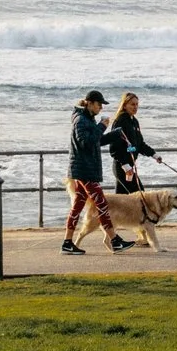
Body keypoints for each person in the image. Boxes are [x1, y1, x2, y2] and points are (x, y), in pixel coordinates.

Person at [61, 90, 134, 255]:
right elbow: (86, 142)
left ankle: (67, 243)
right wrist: (102, 126)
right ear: (90, 103)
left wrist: (114, 134)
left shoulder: (86, 119)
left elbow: (95, 141)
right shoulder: (80, 120)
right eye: (99, 104)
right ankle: (115, 240)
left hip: (82, 169)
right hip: (84, 170)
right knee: (102, 204)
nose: (101, 108)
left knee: (78, 207)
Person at [104, 90, 160, 194]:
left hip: (130, 166)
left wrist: (154, 155)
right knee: (140, 196)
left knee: (121, 201)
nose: (135, 107)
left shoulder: (134, 121)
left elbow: (140, 144)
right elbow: (114, 148)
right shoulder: (120, 121)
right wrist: (125, 165)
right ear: (125, 105)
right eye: (132, 104)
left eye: (137, 104)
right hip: (122, 167)